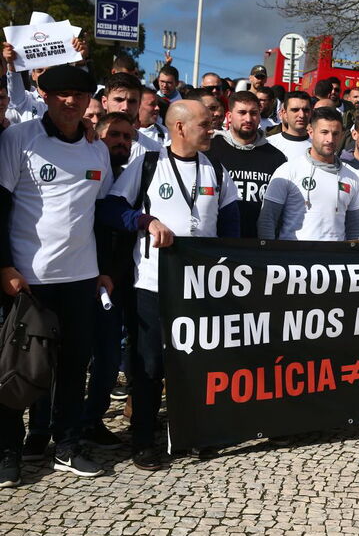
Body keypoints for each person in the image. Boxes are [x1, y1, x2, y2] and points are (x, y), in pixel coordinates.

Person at [97, 100, 240, 470]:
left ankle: (192, 433)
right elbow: (110, 209)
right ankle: (143, 439)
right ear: (179, 127)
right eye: (205, 124)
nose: (212, 130)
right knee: (148, 364)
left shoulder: (216, 169)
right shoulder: (148, 164)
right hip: (152, 284)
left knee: (196, 362)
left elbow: (231, 225)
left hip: (201, 287)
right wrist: (146, 221)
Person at [0, 65, 114, 487]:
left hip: (81, 278)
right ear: (45, 96)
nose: (70, 101)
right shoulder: (19, 138)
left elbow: (101, 213)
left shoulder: (97, 149)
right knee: (18, 368)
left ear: (89, 101)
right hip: (28, 279)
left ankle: (67, 445)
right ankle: (8, 450)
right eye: (61, 94)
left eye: (79, 95)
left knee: (73, 366)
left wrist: (103, 270)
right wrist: (4, 265)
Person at [81, 112, 136, 450]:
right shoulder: (86, 168)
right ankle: (51, 427)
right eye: (114, 135)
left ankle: (91, 421)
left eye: (127, 137)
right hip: (82, 272)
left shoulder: (135, 175)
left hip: (119, 278)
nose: (120, 142)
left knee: (108, 357)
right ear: (98, 137)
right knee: (73, 357)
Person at [258, 107, 359, 241]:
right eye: (324, 132)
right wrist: (270, 252)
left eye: (335, 133)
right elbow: (267, 220)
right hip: (294, 253)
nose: (330, 139)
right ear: (311, 132)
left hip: (336, 254)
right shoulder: (288, 171)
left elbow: (355, 228)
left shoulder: (351, 178)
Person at [205, 91, 287, 238]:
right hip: (215, 242)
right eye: (242, 113)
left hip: (258, 244)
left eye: (253, 113)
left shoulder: (276, 158)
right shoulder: (210, 151)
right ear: (229, 116)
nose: (248, 119)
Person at [266, 92, 313, 162]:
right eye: (295, 110)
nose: (302, 115)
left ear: (311, 112)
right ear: (284, 113)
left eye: (306, 110)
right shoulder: (269, 144)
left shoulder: (319, 146)